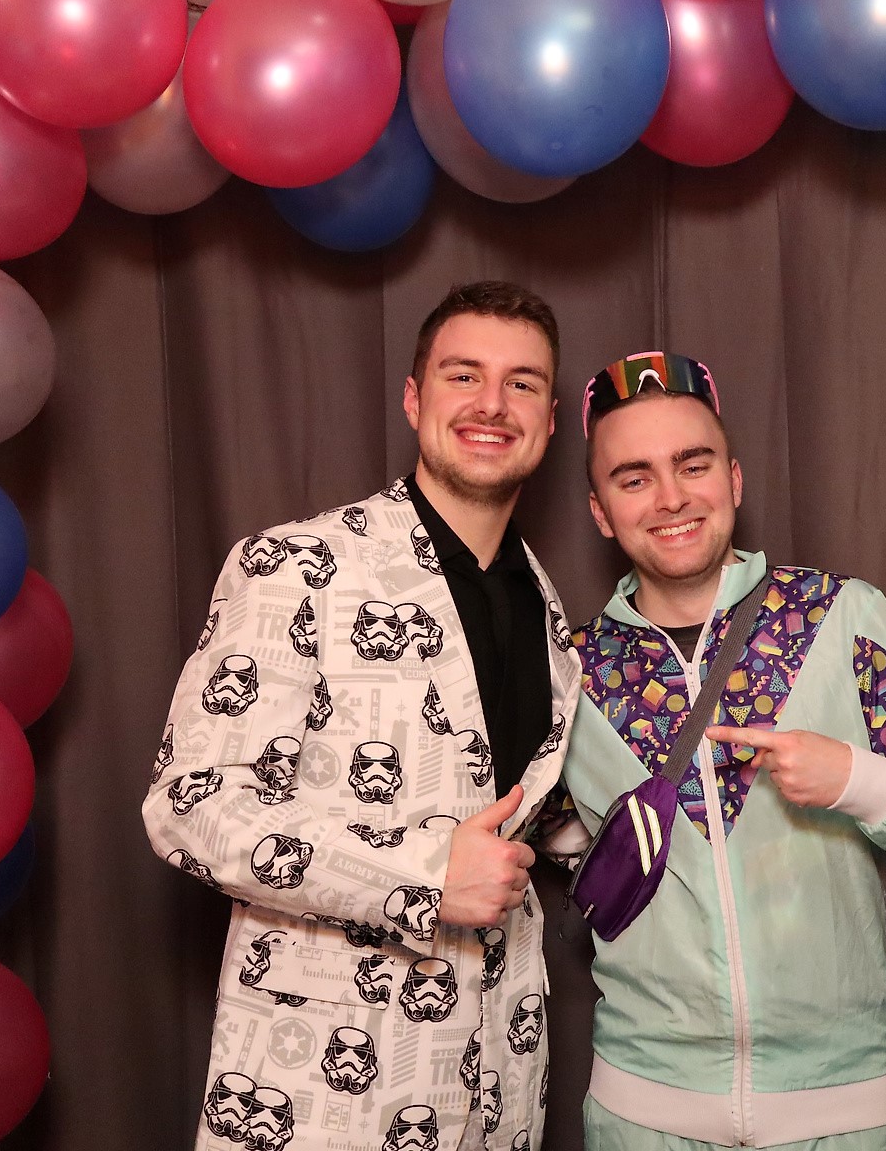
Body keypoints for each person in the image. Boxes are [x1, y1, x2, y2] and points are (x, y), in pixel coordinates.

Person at [144, 281, 582, 1151]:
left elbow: (520, 814)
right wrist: (424, 871)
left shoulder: (543, 603)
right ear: (415, 398)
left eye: (522, 383)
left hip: (501, 1077)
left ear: (550, 418)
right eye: (464, 375)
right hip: (321, 1089)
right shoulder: (297, 564)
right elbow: (189, 805)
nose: (492, 404)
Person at [557, 351, 886, 1151]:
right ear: (600, 511)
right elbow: (542, 840)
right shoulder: (571, 670)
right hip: (641, 1114)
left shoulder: (840, 613)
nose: (671, 497)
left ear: (734, 480)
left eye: (693, 465)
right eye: (634, 478)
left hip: (841, 1109)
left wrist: (853, 778)